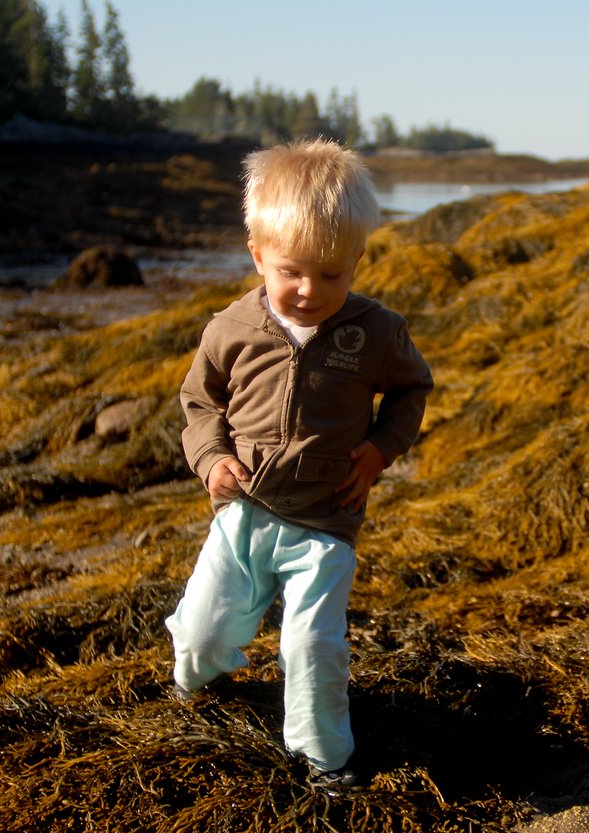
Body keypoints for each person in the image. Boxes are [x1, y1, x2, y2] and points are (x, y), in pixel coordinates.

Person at [165, 138, 433, 793]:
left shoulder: (374, 332)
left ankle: (326, 760)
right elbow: (200, 401)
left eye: (333, 274)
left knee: (311, 646)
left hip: (326, 521)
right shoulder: (230, 328)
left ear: (358, 260)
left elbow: (411, 390)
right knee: (202, 632)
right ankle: (193, 683)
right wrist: (210, 459)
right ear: (257, 253)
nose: (310, 290)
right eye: (291, 272)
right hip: (244, 512)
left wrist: (379, 449)